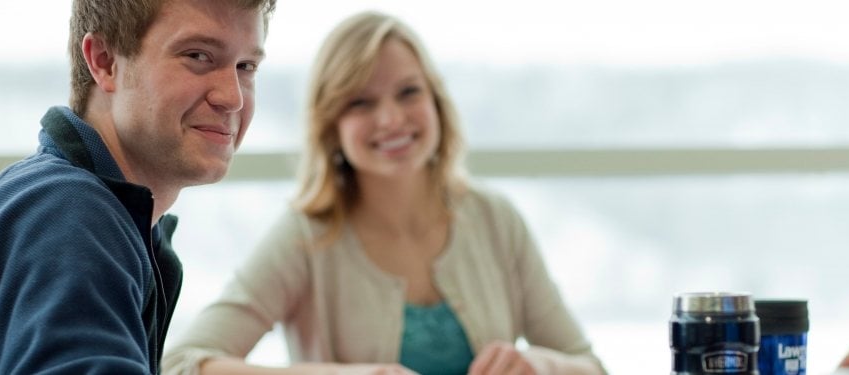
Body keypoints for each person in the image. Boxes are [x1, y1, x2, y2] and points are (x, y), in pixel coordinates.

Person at [162, 10, 607, 375]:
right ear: (332, 126)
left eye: (408, 92)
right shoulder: (305, 237)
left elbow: (589, 366)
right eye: (361, 102)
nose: (391, 119)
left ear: (436, 102)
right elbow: (182, 364)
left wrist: (537, 364)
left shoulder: (495, 218)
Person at [0, 0, 275, 373]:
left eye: (246, 67)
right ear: (104, 61)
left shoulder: (95, 212)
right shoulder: (64, 213)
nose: (232, 97)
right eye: (198, 56)